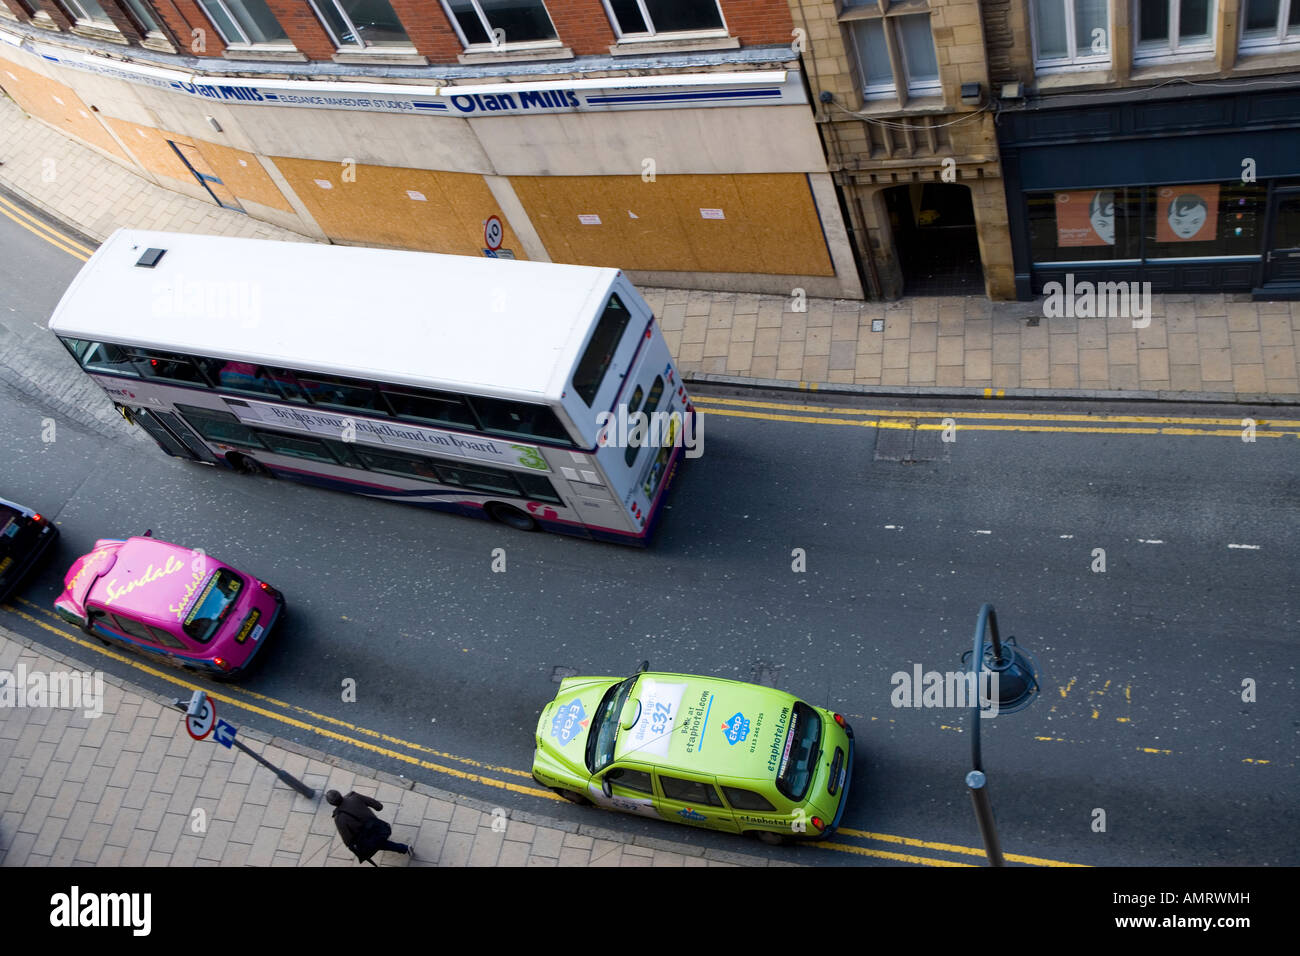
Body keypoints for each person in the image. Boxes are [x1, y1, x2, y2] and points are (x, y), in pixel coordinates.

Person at [326, 789, 413, 865]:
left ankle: (405, 848)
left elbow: (348, 840)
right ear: (340, 794)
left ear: (332, 804)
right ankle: (402, 848)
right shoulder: (354, 796)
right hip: (380, 826)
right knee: (380, 841)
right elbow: (379, 806)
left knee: (380, 844)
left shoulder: (339, 818)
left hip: (369, 837)